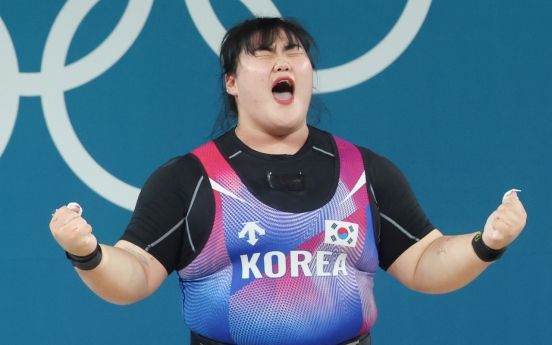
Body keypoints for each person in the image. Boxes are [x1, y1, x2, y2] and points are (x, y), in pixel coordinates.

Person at [49, 17, 527, 345]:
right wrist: (87, 254)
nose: (282, 62)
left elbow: (424, 262)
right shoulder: (189, 179)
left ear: (308, 74)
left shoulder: (364, 172)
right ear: (231, 82)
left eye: (293, 52)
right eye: (262, 54)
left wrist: (488, 242)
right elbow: (133, 275)